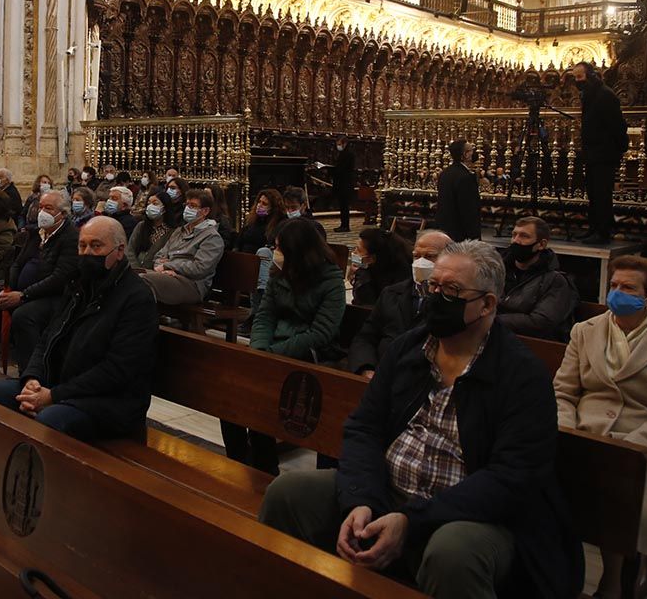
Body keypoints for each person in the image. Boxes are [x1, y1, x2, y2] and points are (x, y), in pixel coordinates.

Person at [260, 240, 583, 599]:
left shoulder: (521, 374)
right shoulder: (410, 348)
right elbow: (364, 428)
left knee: (453, 553)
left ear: (487, 304)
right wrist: (362, 500)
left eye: (452, 290)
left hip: (466, 514)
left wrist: (412, 521)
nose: (436, 297)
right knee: (288, 494)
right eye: (434, 287)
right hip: (390, 492)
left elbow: (512, 477)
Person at [555, 256, 647, 598]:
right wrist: (566, 432)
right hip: (582, 434)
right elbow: (563, 392)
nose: (617, 293)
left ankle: (614, 577)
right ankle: (556, 571)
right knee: (542, 483)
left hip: (640, 447)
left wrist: (629, 452)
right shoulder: (585, 331)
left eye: (628, 288)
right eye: (614, 286)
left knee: (622, 493)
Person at [0, 215, 159, 441]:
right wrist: (32, 379)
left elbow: (118, 369)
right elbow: (47, 338)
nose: (87, 253)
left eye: (96, 246)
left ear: (120, 251)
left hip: (109, 401)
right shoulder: (78, 286)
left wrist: (53, 396)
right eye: (82, 246)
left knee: (50, 421)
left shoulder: (136, 298)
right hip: (61, 387)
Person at [222, 219, 346, 475]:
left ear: (299, 251)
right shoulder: (281, 275)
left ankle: (265, 468)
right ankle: (243, 463)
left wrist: (273, 354)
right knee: (230, 394)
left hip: (308, 355)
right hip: (271, 351)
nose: (275, 252)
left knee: (266, 396)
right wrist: (259, 350)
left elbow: (321, 333)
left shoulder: (330, 280)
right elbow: (265, 315)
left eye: (280, 247)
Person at [0, 190, 80, 372]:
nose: (42, 212)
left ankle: (31, 374)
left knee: (24, 315)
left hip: (53, 296)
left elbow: (60, 277)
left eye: (48, 208)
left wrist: (23, 295)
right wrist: (10, 289)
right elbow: (17, 263)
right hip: (22, 291)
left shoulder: (71, 237)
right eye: (40, 207)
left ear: (62, 214)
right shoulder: (35, 233)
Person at [347, 229, 451, 377]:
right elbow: (365, 337)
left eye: (430, 257)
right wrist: (366, 368)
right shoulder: (391, 294)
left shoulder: (452, 301)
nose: (421, 262)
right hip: (380, 374)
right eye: (416, 256)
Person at [572, 61, 628, 244]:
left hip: (604, 153)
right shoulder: (590, 94)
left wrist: (618, 148)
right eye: (575, 77)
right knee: (593, 193)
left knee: (602, 193)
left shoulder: (605, 95)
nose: (577, 81)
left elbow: (617, 125)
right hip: (593, 152)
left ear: (591, 75)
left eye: (579, 77)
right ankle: (594, 227)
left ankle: (603, 231)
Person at [497, 216, 577, 341]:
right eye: (514, 235)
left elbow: (540, 322)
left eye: (524, 236)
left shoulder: (555, 280)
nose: (516, 241)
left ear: (541, 244)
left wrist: (492, 319)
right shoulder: (499, 269)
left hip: (532, 345)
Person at [140, 189, 225, 305]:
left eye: (193, 206)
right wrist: (164, 267)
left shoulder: (211, 237)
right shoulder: (179, 231)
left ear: (205, 211)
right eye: (187, 205)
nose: (188, 209)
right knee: (131, 276)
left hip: (192, 285)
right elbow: (158, 256)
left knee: (143, 280)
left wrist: (169, 266)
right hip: (168, 277)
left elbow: (199, 268)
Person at [349, 227, 413, 307]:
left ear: (373, 258)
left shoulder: (399, 281)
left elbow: (367, 306)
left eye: (358, 250)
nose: (354, 252)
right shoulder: (368, 270)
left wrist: (362, 277)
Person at [433, 139, 481, 241]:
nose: (474, 153)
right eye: (471, 150)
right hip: (461, 234)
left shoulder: (445, 173)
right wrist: (474, 236)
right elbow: (468, 209)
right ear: (465, 154)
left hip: (445, 230)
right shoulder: (465, 177)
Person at [127, 193, 173, 269]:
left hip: (155, 273)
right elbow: (130, 249)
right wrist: (135, 268)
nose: (150, 206)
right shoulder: (142, 226)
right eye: (149, 203)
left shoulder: (172, 231)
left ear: (164, 208)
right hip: (135, 269)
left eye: (155, 203)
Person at [237, 189, 284, 254]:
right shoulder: (251, 220)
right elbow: (240, 240)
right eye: (259, 202)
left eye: (264, 204)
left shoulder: (278, 224)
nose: (259, 205)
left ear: (273, 208)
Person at [332, 136, 356, 232]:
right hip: (342, 183)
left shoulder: (348, 154)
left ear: (344, 143)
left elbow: (342, 169)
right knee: (342, 206)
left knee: (344, 206)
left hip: (344, 183)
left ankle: (345, 226)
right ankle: (343, 224)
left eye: (339, 144)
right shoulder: (343, 153)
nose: (338, 146)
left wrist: (332, 170)